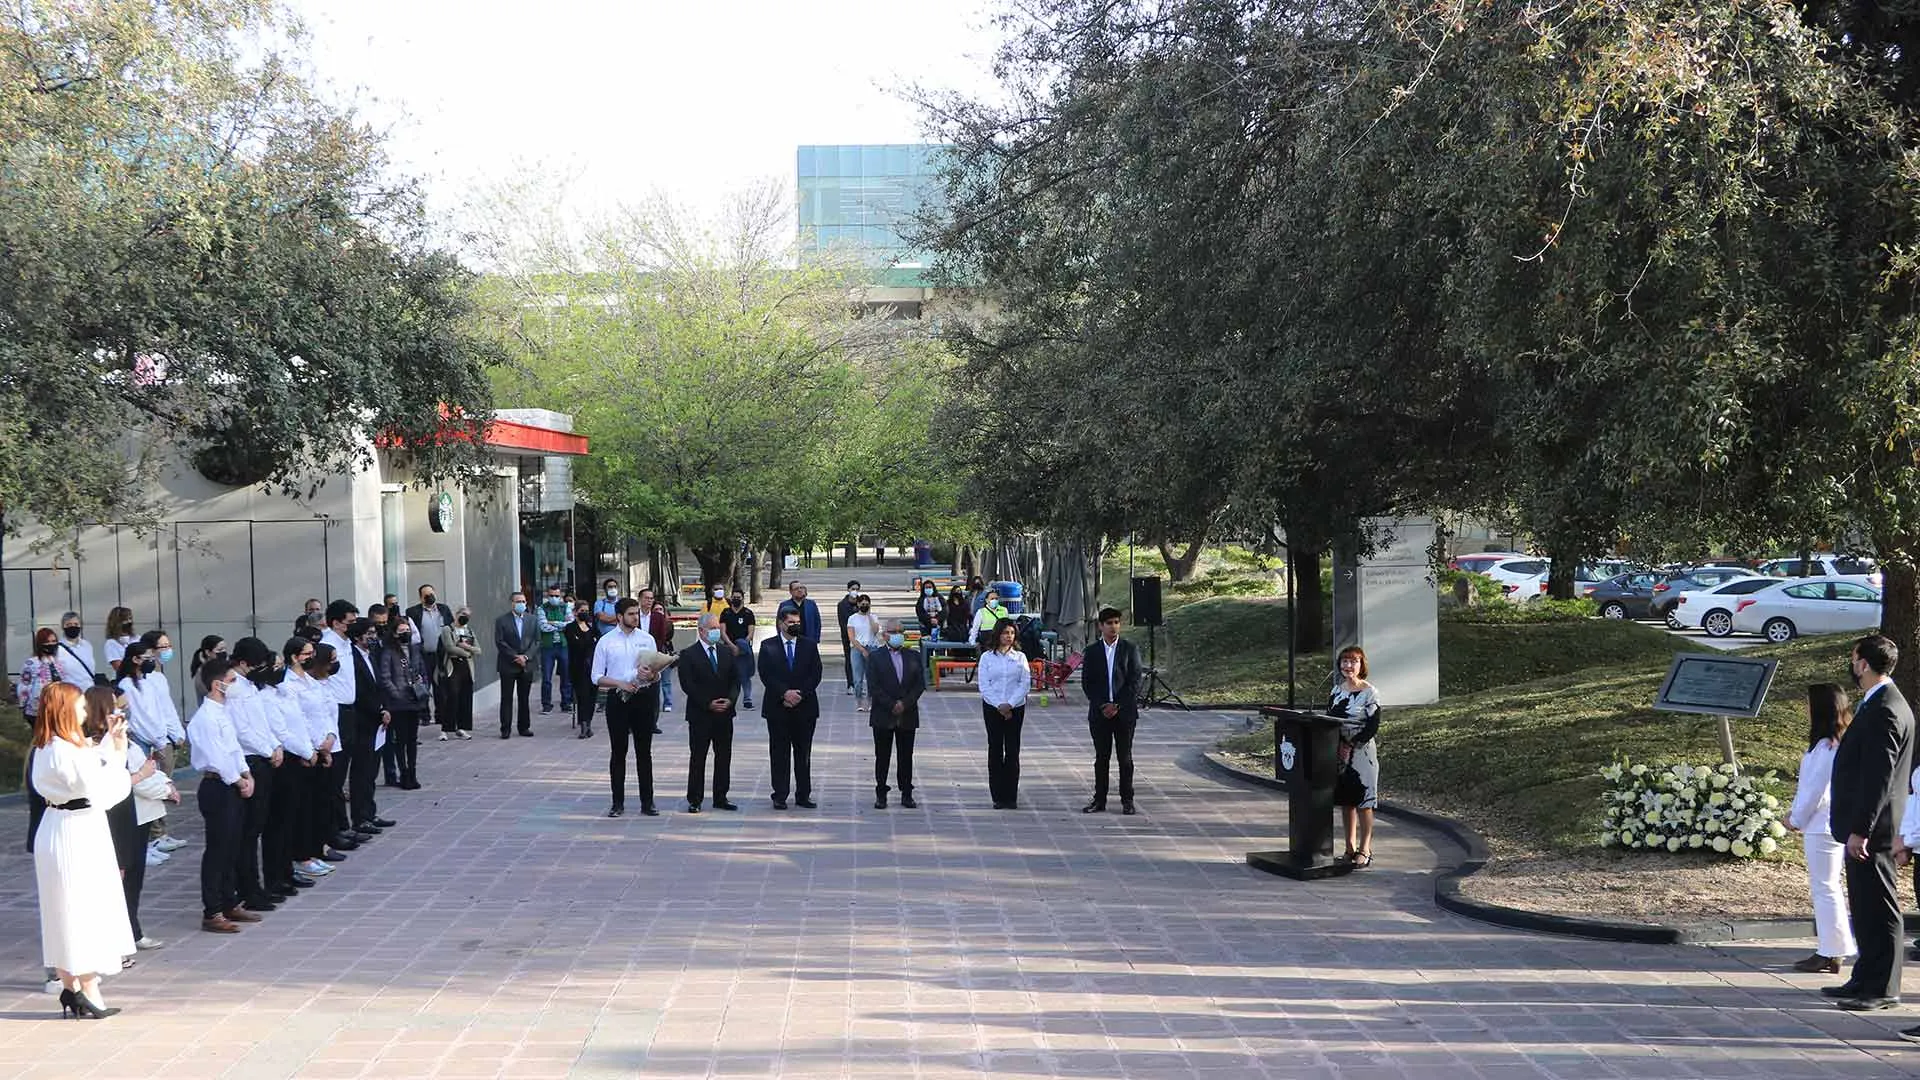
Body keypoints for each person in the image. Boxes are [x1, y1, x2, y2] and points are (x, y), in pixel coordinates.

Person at [29, 683, 136, 1017]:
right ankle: (88, 989)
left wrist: (113, 744)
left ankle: (71, 986)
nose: (84, 710)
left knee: (62, 910)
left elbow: (92, 766)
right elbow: (99, 788)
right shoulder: (63, 750)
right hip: (77, 830)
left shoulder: (49, 746)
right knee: (82, 909)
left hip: (61, 826)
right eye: (78, 705)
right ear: (65, 709)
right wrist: (120, 760)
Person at [1827, 634, 1914, 1012]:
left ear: (1863, 664)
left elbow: (1880, 776)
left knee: (1879, 906)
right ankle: (1865, 977)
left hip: (1875, 828)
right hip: (1866, 824)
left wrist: (1861, 828)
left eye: (1854, 659)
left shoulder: (1887, 708)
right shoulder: (1877, 702)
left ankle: (1883, 987)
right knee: (1864, 905)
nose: (1852, 665)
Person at [187, 660, 259, 935]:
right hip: (217, 785)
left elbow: (234, 749)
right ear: (217, 685)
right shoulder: (205, 718)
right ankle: (213, 910)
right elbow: (217, 757)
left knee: (232, 847)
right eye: (232, 680)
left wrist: (246, 773)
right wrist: (238, 779)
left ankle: (230, 901)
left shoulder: (224, 711)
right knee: (217, 850)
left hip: (233, 783)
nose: (236, 684)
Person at [1792, 684, 1856, 975]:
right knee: (1829, 887)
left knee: (1825, 888)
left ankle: (1831, 951)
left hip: (1822, 825)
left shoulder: (1825, 748)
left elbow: (1814, 791)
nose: (1805, 709)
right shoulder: (1836, 743)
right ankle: (1834, 947)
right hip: (1828, 823)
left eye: (1809, 704)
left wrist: (1795, 819)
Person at [224, 639, 287, 914]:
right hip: (250, 759)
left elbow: (261, 724)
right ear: (243, 663)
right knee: (248, 832)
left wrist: (275, 745)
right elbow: (243, 731)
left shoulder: (250, 686)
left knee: (256, 828)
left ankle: (255, 886)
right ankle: (248, 889)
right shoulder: (235, 689)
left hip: (264, 756)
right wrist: (267, 749)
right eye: (258, 665)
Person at [116, 641, 185, 861]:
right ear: (135, 660)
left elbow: (158, 711)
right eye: (147, 657)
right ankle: (148, 840)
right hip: (143, 740)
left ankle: (156, 836)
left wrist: (164, 737)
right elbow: (139, 718)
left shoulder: (148, 681)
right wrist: (154, 740)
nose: (152, 661)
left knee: (157, 788)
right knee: (144, 791)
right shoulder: (127, 685)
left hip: (156, 739)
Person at [593, 597, 660, 817]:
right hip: (618, 699)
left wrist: (652, 675)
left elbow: (656, 673)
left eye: (637, 613)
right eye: (631, 614)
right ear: (620, 616)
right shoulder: (606, 642)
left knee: (644, 752)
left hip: (643, 698)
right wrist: (620, 683)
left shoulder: (647, 639)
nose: (635, 617)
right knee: (618, 751)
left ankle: (647, 802)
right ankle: (617, 803)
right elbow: (596, 676)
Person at [1081, 607, 1142, 815]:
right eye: (1109, 623)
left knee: (1125, 758)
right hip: (1100, 714)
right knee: (1102, 757)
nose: (1113, 627)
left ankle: (1127, 800)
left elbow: (1135, 681)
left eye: (1116, 622)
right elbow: (1088, 683)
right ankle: (1099, 799)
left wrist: (1117, 705)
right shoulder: (1092, 652)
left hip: (1124, 713)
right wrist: (1103, 705)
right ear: (1100, 626)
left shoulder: (1129, 649)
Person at [759, 608, 822, 810]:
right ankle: (780, 794)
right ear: (781, 624)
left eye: (797, 622)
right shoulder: (768, 646)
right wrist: (784, 693)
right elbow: (766, 674)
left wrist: (799, 694)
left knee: (803, 754)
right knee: (779, 754)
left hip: (805, 708)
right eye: (791, 622)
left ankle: (803, 795)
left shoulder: (809, 645)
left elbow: (815, 674)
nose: (795, 625)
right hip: (778, 708)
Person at [679, 613, 739, 814]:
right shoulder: (689, 654)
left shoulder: (726, 652)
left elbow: (735, 680)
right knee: (698, 757)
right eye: (712, 629)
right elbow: (688, 685)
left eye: (717, 628)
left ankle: (721, 796)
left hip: (724, 713)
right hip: (700, 715)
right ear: (701, 631)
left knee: (723, 756)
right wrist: (707, 703)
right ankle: (695, 799)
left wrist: (730, 700)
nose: (716, 632)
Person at [1329, 645, 1382, 867]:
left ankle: (1365, 849)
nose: (1348, 665)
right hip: (1340, 752)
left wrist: (1351, 744)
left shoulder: (1370, 692)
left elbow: (1372, 726)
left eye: (1353, 661)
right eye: (1344, 661)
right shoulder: (1336, 691)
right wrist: (1337, 744)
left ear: (1361, 665)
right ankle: (1349, 848)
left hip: (1361, 752)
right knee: (1346, 802)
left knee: (1363, 802)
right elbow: (1328, 719)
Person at [345, 618, 395, 839]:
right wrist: (378, 711)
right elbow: (361, 693)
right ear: (358, 637)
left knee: (372, 770)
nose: (373, 637)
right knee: (361, 772)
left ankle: (370, 812)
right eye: (370, 633)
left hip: (378, 721)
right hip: (363, 721)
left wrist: (385, 708)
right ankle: (360, 817)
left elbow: (379, 685)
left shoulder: (371, 655)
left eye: (374, 633)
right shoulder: (353, 658)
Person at [867, 620, 924, 810]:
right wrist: (892, 704)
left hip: (908, 714)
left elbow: (919, 685)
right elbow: (873, 686)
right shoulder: (875, 657)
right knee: (882, 756)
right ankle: (881, 793)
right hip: (884, 714)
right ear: (885, 635)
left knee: (906, 756)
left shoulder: (913, 656)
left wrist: (904, 703)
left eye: (901, 631)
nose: (898, 634)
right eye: (893, 631)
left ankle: (906, 792)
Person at [977, 619, 1030, 811]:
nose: (1009, 637)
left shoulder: (1020, 657)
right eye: (1005, 633)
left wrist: (1010, 704)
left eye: (1012, 633)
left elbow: (1024, 683)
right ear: (998, 634)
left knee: (1012, 750)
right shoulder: (987, 658)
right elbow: (984, 685)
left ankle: (1011, 795)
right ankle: (998, 795)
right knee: (995, 749)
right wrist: (999, 705)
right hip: (993, 707)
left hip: (1015, 708)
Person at [376, 615, 429, 789]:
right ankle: (403, 772)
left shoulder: (415, 650)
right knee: (401, 740)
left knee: (412, 739)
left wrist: (422, 686)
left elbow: (423, 671)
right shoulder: (389, 651)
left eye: (407, 630)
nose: (406, 633)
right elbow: (385, 677)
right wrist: (396, 694)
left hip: (414, 699)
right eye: (401, 631)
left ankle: (412, 772)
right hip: (398, 702)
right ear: (394, 633)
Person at [407, 584, 453, 733]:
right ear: (421, 598)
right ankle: (424, 715)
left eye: (432, 593)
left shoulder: (443, 609)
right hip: (423, 655)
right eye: (426, 595)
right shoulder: (413, 612)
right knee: (423, 685)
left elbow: (451, 627)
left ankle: (441, 714)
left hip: (441, 655)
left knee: (441, 685)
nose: (430, 597)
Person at [495, 591, 540, 738]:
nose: (521, 604)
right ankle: (505, 728)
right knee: (506, 697)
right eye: (518, 601)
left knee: (524, 698)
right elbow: (500, 642)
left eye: (523, 601)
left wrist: (526, 656)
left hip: (527, 664)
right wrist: (515, 656)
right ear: (512, 603)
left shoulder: (532, 620)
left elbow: (536, 641)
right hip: (508, 664)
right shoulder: (502, 620)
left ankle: (524, 727)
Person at [437, 606, 481, 740]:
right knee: (452, 696)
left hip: (467, 667)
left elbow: (478, 650)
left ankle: (462, 727)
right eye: (463, 614)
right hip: (452, 666)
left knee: (465, 697)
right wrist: (467, 653)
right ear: (456, 614)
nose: (465, 617)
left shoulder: (469, 631)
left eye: (468, 615)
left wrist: (466, 647)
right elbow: (450, 647)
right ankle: (446, 729)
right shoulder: (447, 629)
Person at [564, 603, 600, 738]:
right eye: (582, 610)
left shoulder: (592, 627)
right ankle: (583, 725)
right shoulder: (570, 628)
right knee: (583, 696)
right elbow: (577, 644)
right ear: (575, 612)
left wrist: (590, 642)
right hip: (578, 668)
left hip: (593, 667)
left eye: (586, 610)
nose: (585, 613)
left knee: (592, 696)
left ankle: (589, 723)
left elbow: (599, 642)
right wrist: (590, 641)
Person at [538, 583, 573, 716]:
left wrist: (552, 623)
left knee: (566, 676)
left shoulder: (565, 607)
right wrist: (561, 625)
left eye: (557, 596)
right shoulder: (542, 608)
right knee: (546, 678)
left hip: (563, 646)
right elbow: (543, 626)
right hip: (548, 647)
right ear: (547, 596)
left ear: (561, 596)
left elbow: (570, 625)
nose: (554, 598)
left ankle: (566, 703)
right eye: (552, 595)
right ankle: (546, 705)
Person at [720, 591, 757, 710]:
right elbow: (722, 632)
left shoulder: (748, 613)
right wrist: (732, 646)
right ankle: (729, 698)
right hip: (728, 648)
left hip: (743, 648)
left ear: (742, 598)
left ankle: (747, 699)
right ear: (731, 598)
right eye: (734, 597)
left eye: (738, 597)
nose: (736, 599)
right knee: (729, 675)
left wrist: (741, 646)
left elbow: (751, 632)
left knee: (744, 674)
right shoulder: (726, 612)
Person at [17, 627, 61, 721]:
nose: (51, 644)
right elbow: (24, 685)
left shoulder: (57, 662)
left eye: (54, 641)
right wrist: (23, 704)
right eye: (47, 642)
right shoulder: (31, 663)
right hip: (36, 710)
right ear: (40, 644)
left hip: (57, 708)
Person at [846, 593, 879, 711]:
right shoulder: (852, 618)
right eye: (862, 604)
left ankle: (870, 701)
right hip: (857, 648)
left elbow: (875, 631)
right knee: (858, 679)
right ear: (858, 604)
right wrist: (862, 649)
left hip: (872, 647)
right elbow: (851, 637)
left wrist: (869, 616)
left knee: (871, 677)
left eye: (866, 604)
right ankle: (859, 701)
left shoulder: (874, 617)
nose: (864, 606)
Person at [645, 591, 676, 714]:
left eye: (661, 610)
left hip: (664, 653)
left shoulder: (668, 623)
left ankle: (668, 702)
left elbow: (667, 636)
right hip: (651, 655)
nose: (659, 612)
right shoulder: (648, 623)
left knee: (666, 681)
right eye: (656, 610)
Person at [54, 611, 101, 689]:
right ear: (63, 627)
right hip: (70, 692)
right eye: (68, 624)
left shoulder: (87, 645)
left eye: (76, 624)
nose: (73, 627)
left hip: (89, 691)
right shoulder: (57, 649)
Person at [836, 580, 863, 693]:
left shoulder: (861, 602)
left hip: (861, 636)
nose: (855, 591)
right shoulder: (842, 604)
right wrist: (851, 636)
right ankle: (850, 684)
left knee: (860, 661)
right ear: (848, 589)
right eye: (853, 589)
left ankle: (859, 684)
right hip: (848, 637)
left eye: (857, 589)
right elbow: (843, 623)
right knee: (850, 660)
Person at [189, 636, 228, 704]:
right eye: (219, 650)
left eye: (225, 649)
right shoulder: (202, 673)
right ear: (208, 652)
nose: (224, 652)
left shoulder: (222, 668)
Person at [102, 607, 136, 677]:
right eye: (125, 620)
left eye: (130, 619)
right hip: (123, 679)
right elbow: (119, 668)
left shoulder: (137, 638)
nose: (129, 622)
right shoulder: (111, 643)